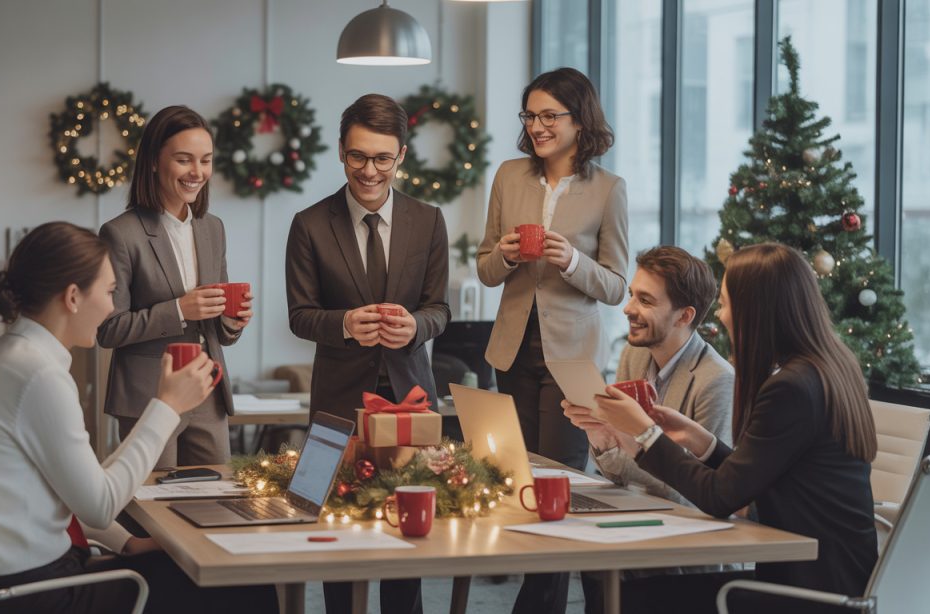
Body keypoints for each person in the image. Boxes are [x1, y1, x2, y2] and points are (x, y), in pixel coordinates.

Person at [0, 222, 276, 614]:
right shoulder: (38, 377)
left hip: (24, 578)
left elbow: (68, 489)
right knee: (246, 582)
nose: (111, 307)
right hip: (44, 594)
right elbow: (99, 504)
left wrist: (127, 542)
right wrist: (167, 407)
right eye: (109, 292)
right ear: (73, 297)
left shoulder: (3, 359)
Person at [566, 242, 878, 614]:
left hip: (808, 590)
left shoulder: (790, 388)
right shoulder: (829, 367)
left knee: (629, 600)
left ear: (755, 312)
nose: (723, 317)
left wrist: (645, 435)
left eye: (728, 304)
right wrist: (701, 441)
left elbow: (720, 498)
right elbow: (752, 476)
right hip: (838, 574)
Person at [285, 93, 450, 614]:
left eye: (382, 158)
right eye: (358, 156)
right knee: (341, 540)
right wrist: (345, 325)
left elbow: (439, 308)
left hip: (411, 397)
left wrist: (417, 326)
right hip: (337, 403)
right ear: (340, 151)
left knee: (409, 542)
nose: (369, 170)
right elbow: (299, 314)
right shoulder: (309, 224)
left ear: (401, 155)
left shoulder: (429, 220)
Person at [475, 66, 628, 614]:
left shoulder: (608, 189)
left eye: (548, 116)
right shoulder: (509, 176)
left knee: (556, 486)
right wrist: (508, 254)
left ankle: (535, 605)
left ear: (579, 120)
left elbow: (615, 286)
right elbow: (486, 267)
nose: (536, 126)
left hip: (572, 358)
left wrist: (572, 260)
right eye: (530, 116)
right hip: (512, 350)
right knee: (518, 480)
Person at [577, 246, 735, 613]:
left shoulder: (716, 381)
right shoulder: (636, 355)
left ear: (684, 316)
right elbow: (621, 474)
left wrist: (626, 446)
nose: (629, 308)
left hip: (686, 559)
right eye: (632, 295)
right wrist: (603, 441)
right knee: (589, 559)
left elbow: (701, 497)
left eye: (645, 300)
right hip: (639, 526)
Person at [98, 105, 252, 467]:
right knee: (152, 512)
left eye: (206, 160)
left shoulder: (212, 227)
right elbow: (108, 329)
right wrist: (181, 309)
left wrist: (233, 321)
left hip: (208, 394)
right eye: (184, 160)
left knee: (216, 500)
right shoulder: (120, 234)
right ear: (154, 161)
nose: (197, 173)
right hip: (148, 399)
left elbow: (219, 331)